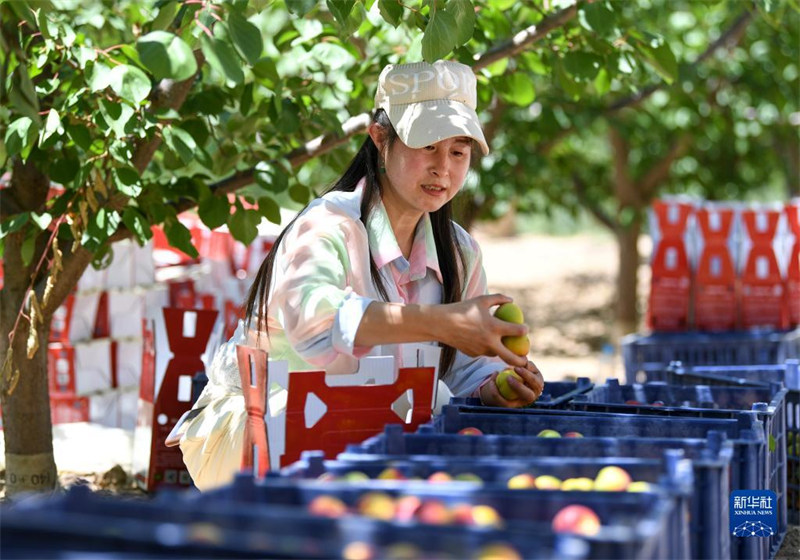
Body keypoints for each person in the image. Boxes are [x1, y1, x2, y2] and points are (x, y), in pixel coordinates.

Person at [177, 60, 545, 490]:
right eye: (427, 145)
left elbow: (462, 368)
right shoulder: (326, 227)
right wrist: (444, 323)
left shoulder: (459, 253)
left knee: (431, 417)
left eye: (458, 151)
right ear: (379, 138)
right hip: (268, 430)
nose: (443, 167)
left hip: (365, 432)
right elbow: (316, 329)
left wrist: (493, 385)